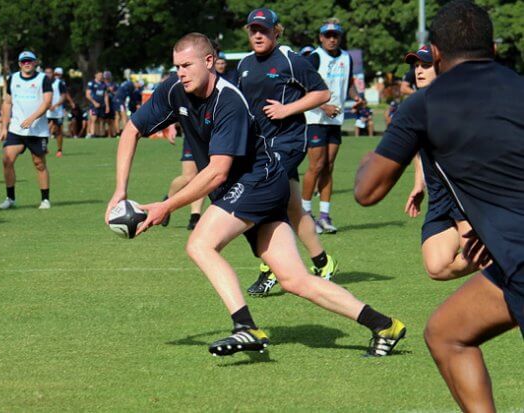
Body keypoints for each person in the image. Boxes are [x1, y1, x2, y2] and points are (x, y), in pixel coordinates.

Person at [106, 32, 406, 357]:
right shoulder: (173, 89)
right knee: (294, 280)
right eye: (176, 66)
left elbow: (218, 171)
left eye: (187, 65)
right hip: (253, 184)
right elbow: (132, 129)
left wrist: (165, 207)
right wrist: (120, 191)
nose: (180, 72)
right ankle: (384, 325)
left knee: (200, 244)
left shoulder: (228, 100)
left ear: (209, 62)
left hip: (258, 181)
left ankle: (245, 327)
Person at [354, 1, 523, 410]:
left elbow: (367, 192)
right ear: (494, 49)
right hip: (511, 263)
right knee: (447, 331)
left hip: (519, 261)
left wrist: (375, 153)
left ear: (439, 54)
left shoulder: (423, 106)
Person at [236, 8, 338, 297]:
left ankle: (270, 270)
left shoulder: (291, 61)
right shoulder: (243, 64)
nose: (258, 34)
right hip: (259, 149)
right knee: (293, 207)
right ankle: (323, 261)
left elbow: (322, 94)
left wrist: (287, 110)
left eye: (264, 30)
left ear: (276, 32)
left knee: (264, 198)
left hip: (288, 143)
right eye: (253, 30)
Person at [402, 45, 477, 281]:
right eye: (416, 66)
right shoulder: (417, 106)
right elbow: (416, 149)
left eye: (426, 65)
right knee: (437, 267)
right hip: (439, 198)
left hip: (465, 195)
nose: (419, 71)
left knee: (482, 258)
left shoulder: (459, 105)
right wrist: (418, 183)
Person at [302, 19, 361, 233]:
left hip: (335, 120)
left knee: (328, 167)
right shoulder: (314, 58)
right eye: (328, 35)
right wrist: (323, 105)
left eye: (335, 35)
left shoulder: (347, 58)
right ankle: (306, 215)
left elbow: (350, 83)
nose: (332, 38)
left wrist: (357, 98)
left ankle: (324, 217)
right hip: (316, 118)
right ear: (321, 38)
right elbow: (301, 86)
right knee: (316, 166)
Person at [0, 51, 52, 210]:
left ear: (35, 63)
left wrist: (32, 118)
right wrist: (4, 126)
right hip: (16, 129)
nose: (27, 64)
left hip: (37, 131)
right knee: (7, 160)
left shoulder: (43, 79)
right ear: (20, 64)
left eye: (30, 61)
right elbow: (7, 103)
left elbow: (47, 102)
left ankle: (45, 199)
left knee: (39, 164)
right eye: (23, 61)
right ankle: (10, 198)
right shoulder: (13, 78)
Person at [160, 129, 205, 230]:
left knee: (204, 176)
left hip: (212, 136)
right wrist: (171, 128)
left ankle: (195, 217)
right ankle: (167, 203)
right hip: (192, 135)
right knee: (188, 176)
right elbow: (178, 112)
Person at [45, 67, 68, 157]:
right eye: (46, 73)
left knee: (58, 131)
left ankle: (59, 150)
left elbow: (63, 96)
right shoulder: (43, 83)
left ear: (53, 73)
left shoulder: (59, 83)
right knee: (44, 130)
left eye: (49, 72)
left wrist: (56, 105)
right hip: (46, 111)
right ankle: (44, 148)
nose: (48, 74)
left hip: (57, 111)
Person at [86, 71, 109, 137]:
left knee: (101, 119)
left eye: (101, 75)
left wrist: (107, 106)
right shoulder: (91, 83)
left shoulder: (104, 84)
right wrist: (94, 102)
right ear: (95, 75)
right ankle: (92, 134)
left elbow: (106, 95)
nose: (100, 76)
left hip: (102, 105)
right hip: (94, 105)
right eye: (99, 75)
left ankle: (99, 134)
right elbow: (87, 95)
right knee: (94, 118)